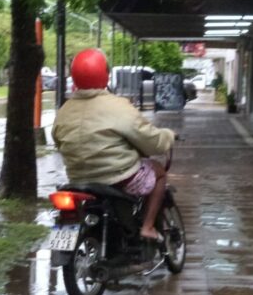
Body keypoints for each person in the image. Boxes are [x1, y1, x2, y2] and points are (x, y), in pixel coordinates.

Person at [52, 48, 176, 242]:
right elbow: (151, 142)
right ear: (105, 75)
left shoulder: (64, 110)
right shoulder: (118, 106)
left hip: (77, 180)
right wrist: (168, 136)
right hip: (119, 178)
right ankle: (147, 227)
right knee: (158, 172)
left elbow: (58, 141)